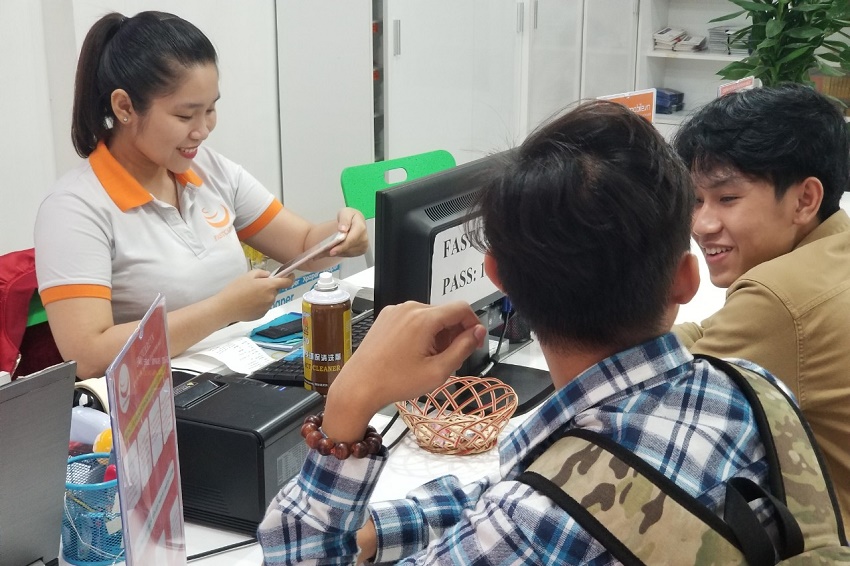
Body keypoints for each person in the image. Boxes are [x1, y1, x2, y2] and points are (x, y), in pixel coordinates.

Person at [257, 100, 784, 563]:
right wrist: (375, 532)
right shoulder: (752, 390)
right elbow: (540, 484)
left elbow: (538, 508)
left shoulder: (531, 524)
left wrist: (349, 402)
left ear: (497, 277)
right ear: (686, 279)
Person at [33, 11, 367, 379]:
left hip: (238, 373)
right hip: (158, 397)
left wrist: (340, 235)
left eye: (210, 109)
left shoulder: (209, 169)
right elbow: (88, 356)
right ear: (124, 107)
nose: (203, 130)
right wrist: (223, 309)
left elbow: (301, 244)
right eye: (185, 116)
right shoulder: (73, 209)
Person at [672, 83, 850, 530]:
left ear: (805, 200)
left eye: (727, 199)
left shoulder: (780, 298)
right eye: (696, 200)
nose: (702, 224)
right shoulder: (831, 250)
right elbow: (713, 330)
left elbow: (663, 390)